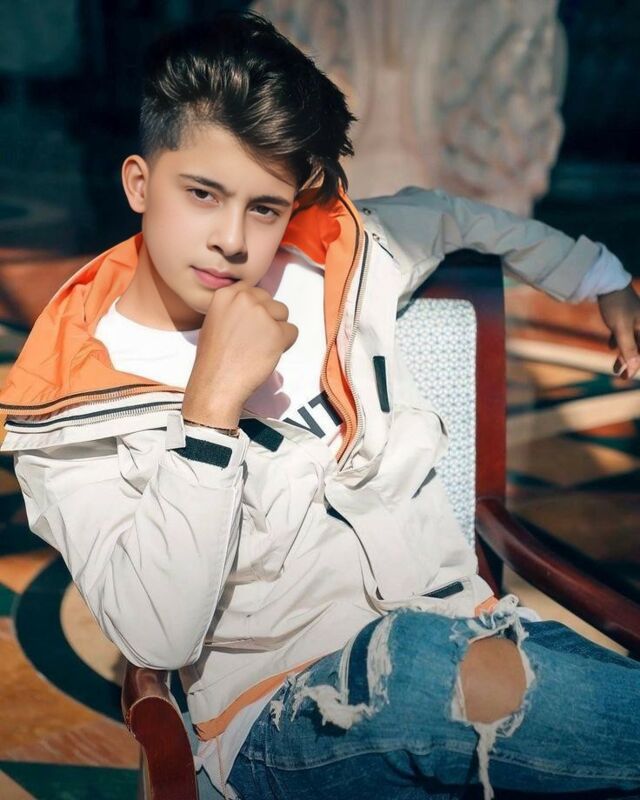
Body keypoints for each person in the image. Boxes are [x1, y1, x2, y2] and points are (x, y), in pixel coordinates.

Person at [1, 11, 639, 800]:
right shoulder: (68, 405)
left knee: (555, 681)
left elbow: (451, 215)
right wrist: (209, 415)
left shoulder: (333, 259)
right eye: (202, 194)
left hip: (470, 642)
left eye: (264, 208)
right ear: (139, 183)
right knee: (414, 663)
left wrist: (598, 275)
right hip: (282, 719)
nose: (233, 240)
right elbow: (155, 637)